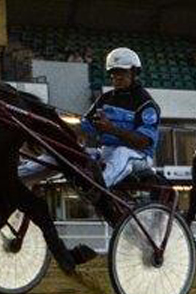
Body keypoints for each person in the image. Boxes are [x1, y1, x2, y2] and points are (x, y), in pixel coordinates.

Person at [22, 47, 159, 190]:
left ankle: (97, 189)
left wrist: (111, 129)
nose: (116, 77)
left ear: (134, 72)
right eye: (113, 72)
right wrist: (50, 128)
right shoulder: (104, 99)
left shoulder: (146, 104)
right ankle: (14, 176)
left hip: (139, 156)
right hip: (105, 153)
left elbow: (144, 142)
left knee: (122, 153)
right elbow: (83, 128)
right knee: (65, 152)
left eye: (122, 72)